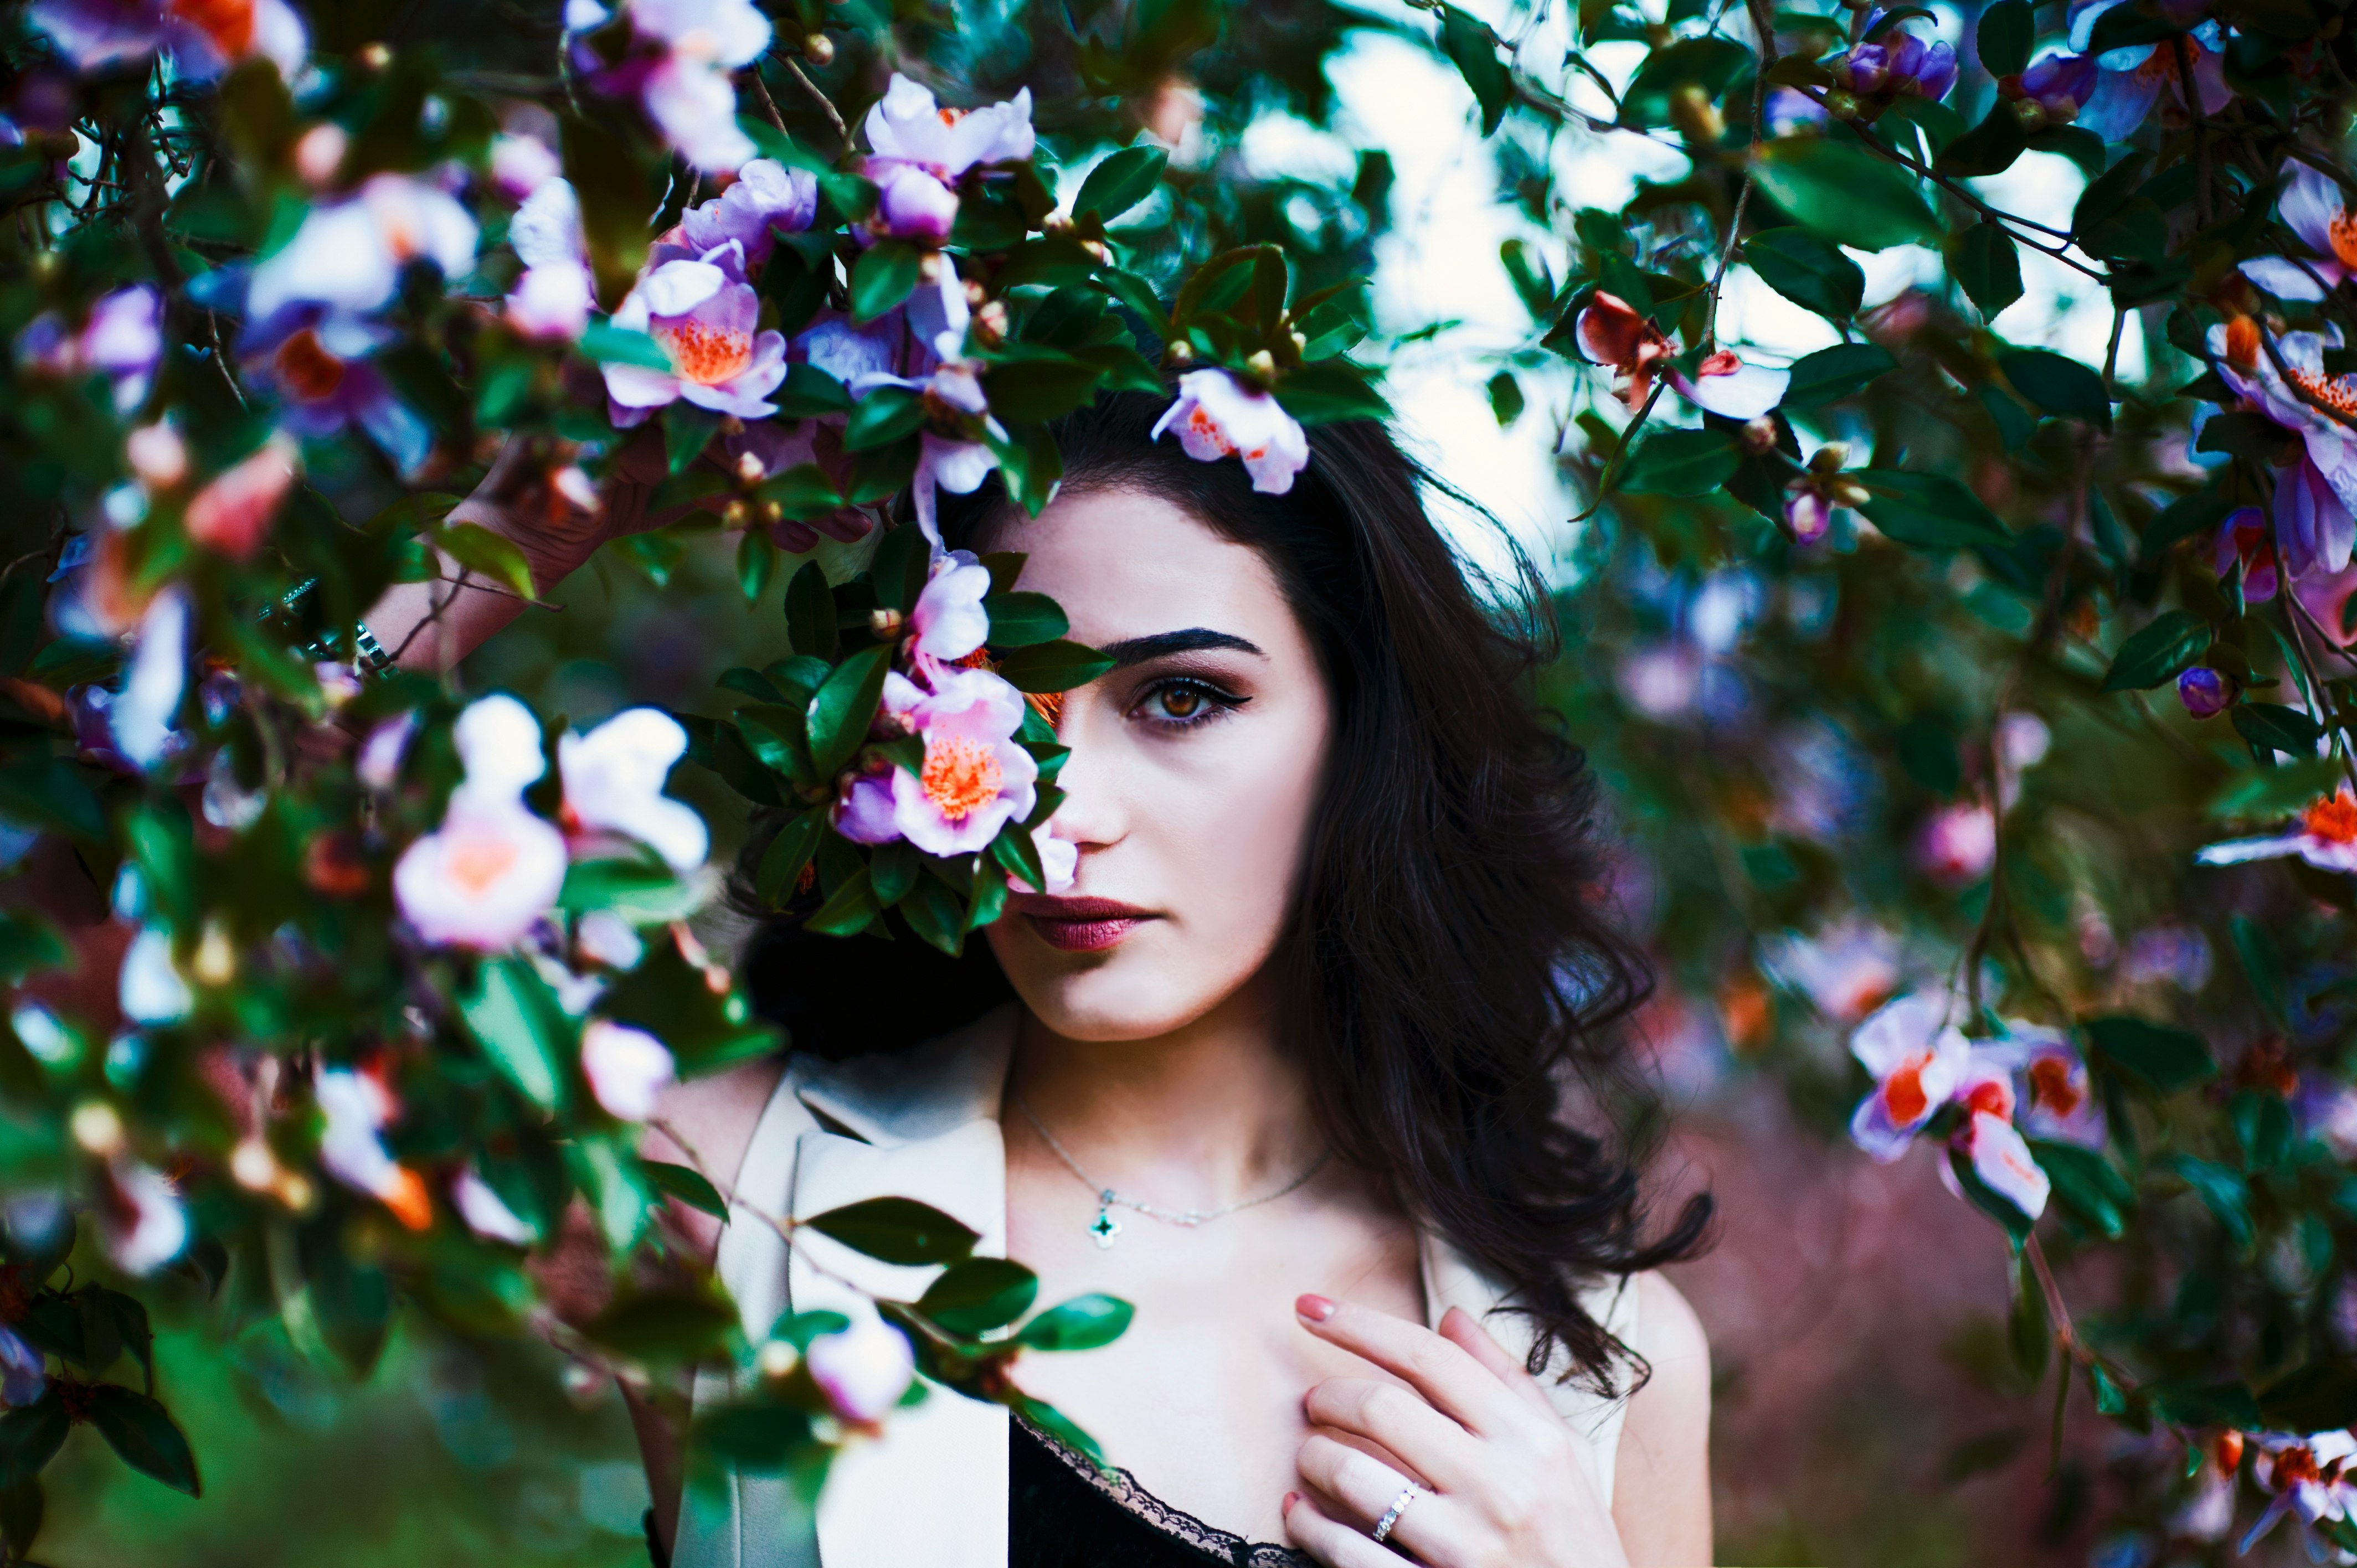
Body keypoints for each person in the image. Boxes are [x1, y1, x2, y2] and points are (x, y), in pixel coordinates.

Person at [588, 391, 1716, 1568]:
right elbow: (377, 1021)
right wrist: (514, 534)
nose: (1060, 816)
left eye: (1179, 699)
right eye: (1003, 713)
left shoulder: (1612, 1360)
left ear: (1363, 741)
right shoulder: (724, 1190)